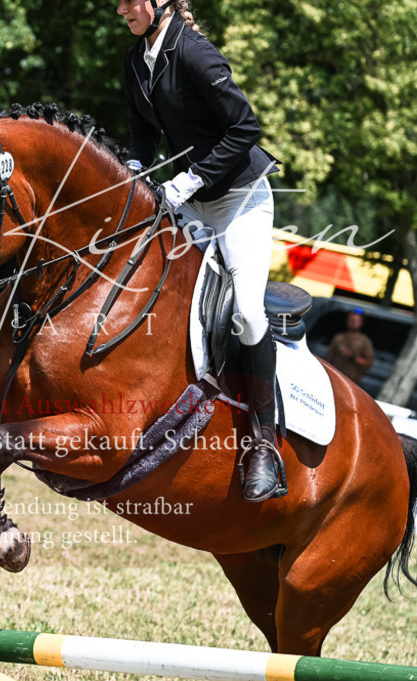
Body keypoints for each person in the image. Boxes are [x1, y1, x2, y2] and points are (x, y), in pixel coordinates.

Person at [119, 0, 282, 501]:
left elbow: (245, 128)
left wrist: (190, 179)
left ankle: (264, 442)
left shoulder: (195, 53)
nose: (121, 9)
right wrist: (133, 171)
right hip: (188, 201)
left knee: (248, 314)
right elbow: (143, 133)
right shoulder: (135, 59)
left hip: (239, 200)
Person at [325, 309, 375, 385]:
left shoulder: (364, 341)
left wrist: (352, 357)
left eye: (355, 321)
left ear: (361, 323)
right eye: (351, 320)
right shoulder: (339, 338)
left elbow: (369, 363)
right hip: (335, 380)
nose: (352, 322)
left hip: (352, 383)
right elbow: (329, 359)